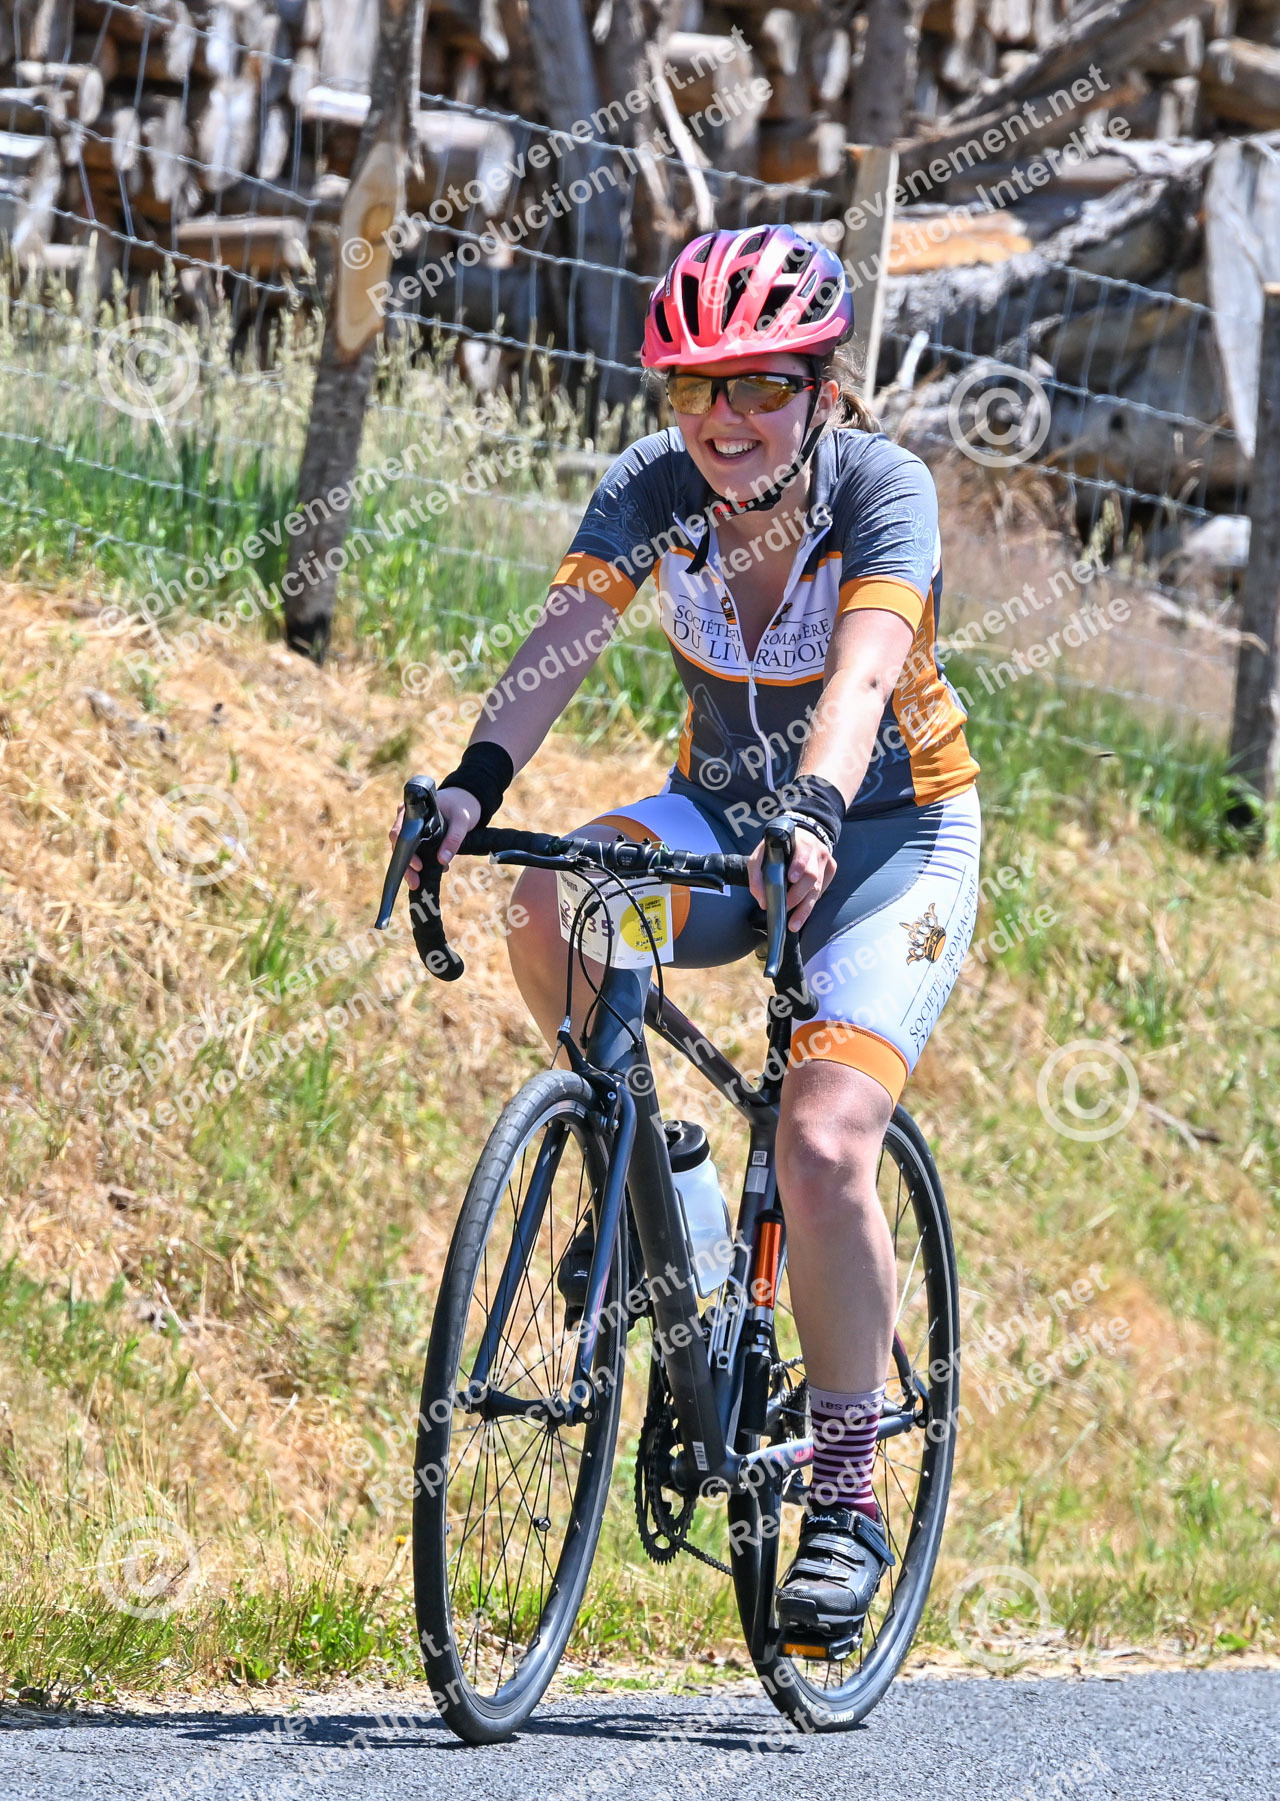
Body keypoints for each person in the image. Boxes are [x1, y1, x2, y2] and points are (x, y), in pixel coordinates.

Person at [390, 224, 981, 1644]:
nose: (726, 416)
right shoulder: (654, 488)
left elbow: (862, 683)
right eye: (697, 386)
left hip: (890, 840)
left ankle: (847, 1496)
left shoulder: (880, 492)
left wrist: (818, 810)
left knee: (824, 1144)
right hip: (722, 824)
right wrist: (471, 789)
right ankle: (643, 1170)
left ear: (820, 392)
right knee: (555, 894)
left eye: (762, 384)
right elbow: (558, 648)